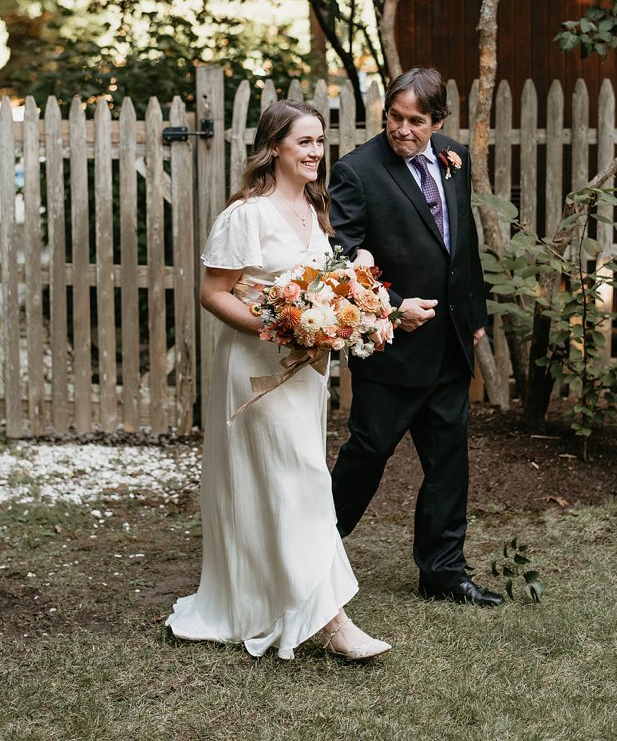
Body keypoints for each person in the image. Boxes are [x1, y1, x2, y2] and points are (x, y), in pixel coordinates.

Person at [166, 100, 391, 661]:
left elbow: (324, 287)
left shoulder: (316, 211)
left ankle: (272, 598)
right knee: (301, 481)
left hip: (305, 372)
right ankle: (333, 623)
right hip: (255, 369)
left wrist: (345, 314)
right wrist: (277, 331)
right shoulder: (246, 215)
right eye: (305, 142)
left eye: (320, 141)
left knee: (286, 482)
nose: (316, 152)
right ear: (275, 148)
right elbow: (214, 292)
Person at [329, 68, 503, 607]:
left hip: (449, 343)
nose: (403, 130)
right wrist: (391, 308)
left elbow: (462, 241)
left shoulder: (454, 156)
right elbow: (340, 262)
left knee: (449, 463)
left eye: (416, 122)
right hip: (391, 348)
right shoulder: (356, 171)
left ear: (438, 122)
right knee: (368, 455)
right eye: (395, 118)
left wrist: (473, 313)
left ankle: (444, 573)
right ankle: (310, 555)